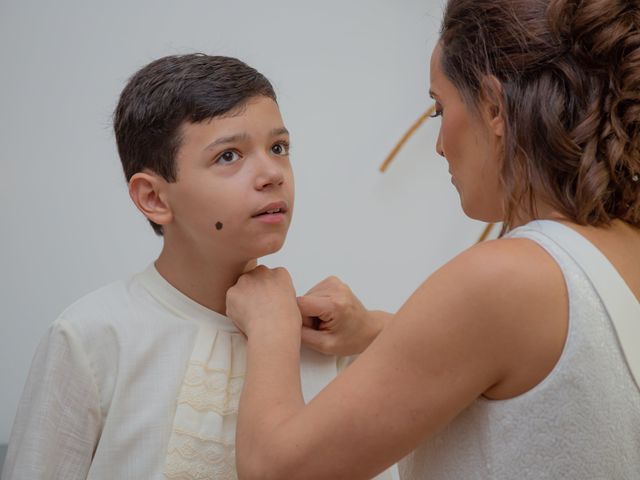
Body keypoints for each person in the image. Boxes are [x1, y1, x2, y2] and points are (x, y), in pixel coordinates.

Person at [226, 0, 640, 478]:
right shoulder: (618, 251)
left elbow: (276, 470)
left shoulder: (505, 278)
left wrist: (270, 327)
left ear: (492, 105)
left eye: (439, 109)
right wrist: (379, 331)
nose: (440, 144)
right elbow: (564, 369)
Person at [2, 54, 385, 480]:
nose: (272, 173)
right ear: (154, 198)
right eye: (228, 156)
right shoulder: (91, 337)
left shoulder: (327, 340)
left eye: (279, 148)